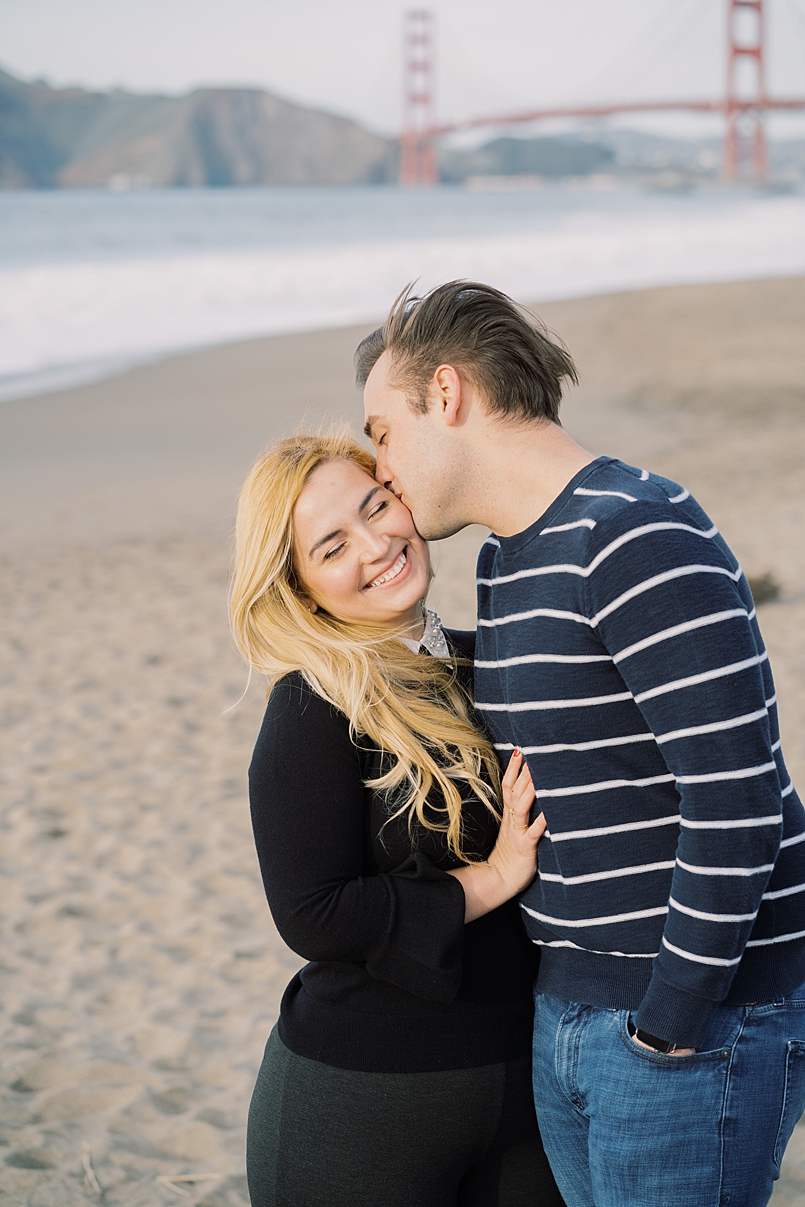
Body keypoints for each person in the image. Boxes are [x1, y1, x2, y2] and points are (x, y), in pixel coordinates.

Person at [357, 280, 805, 1207]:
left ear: (445, 393)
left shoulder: (633, 532)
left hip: (686, 1018)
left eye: (381, 431)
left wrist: (670, 1023)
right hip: (571, 1009)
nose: (380, 469)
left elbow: (739, 798)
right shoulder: (507, 557)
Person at [229, 431, 565, 1207]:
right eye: (332, 544)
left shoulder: (494, 665)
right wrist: (491, 877)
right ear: (303, 588)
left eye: (376, 505)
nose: (378, 542)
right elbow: (314, 912)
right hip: (361, 1105)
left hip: (527, 1087)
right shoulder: (314, 706)